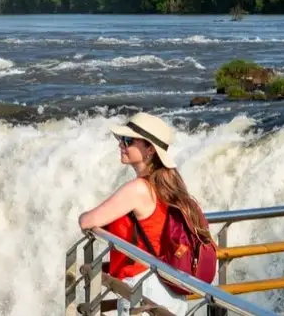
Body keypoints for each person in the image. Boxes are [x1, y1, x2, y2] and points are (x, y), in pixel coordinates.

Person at [77, 112, 213, 316]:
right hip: (169, 286)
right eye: (121, 139)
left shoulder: (139, 189)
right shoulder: (169, 184)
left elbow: (88, 221)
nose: (121, 144)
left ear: (150, 149)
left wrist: (83, 216)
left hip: (143, 287)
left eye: (128, 140)